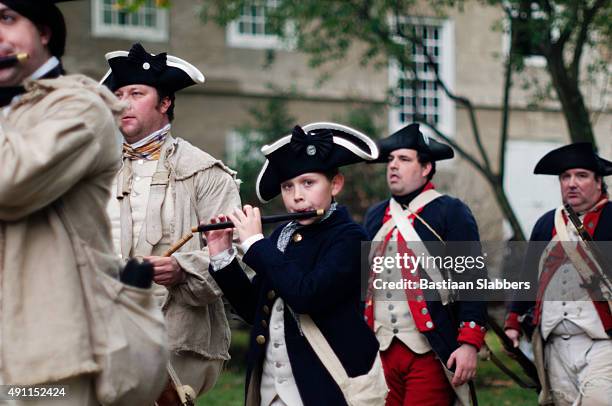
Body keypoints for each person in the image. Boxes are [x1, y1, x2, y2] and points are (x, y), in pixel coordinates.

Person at [0, 0, 126, 404]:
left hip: (49, 353)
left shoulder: (80, 106)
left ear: (44, 31)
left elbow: (9, 182)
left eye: (6, 18)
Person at [204, 123, 382, 405]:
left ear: (335, 184)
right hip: (269, 389)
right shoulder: (281, 238)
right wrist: (221, 255)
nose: (297, 195)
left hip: (325, 388)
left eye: (308, 183)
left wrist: (255, 245)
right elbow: (254, 309)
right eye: (288, 186)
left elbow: (306, 295)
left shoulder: (350, 238)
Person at [100, 43, 241, 398]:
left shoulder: (206, 173)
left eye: (136, 93)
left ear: (165, 103)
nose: (124, 103)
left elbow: (233, 257)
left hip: (175, 344)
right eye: (118, 94)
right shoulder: (94, 172)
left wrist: (181, 269)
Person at [363, 123, 487, 405]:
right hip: (379, 352)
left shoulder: (450, 210)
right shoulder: (375, 215)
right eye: (391, 160)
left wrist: (469, 343)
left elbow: (472, 278)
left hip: (427, 350)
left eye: (404, 159)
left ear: (426, 167)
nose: (393, 166)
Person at [505, 142, 612, 406]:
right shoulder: (546, 224)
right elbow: (529, 276)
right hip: (553, 344)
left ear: (599, 182)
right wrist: (513, 322)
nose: (572, 183)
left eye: (581, 176)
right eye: (566, 177)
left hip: (603, 342)